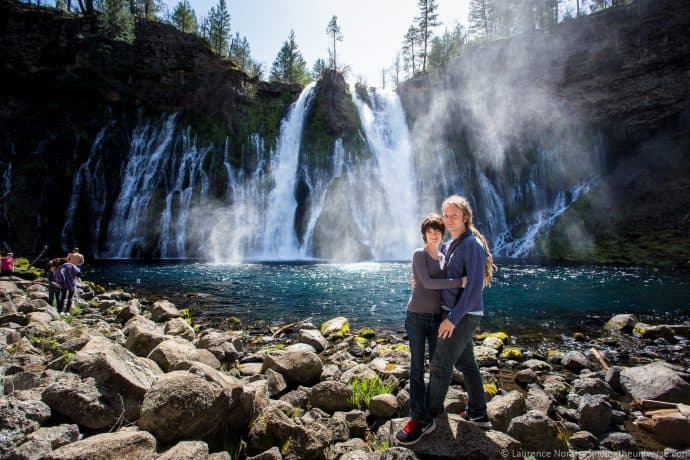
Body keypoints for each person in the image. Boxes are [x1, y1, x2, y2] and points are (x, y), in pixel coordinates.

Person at [396, 195, 496, 445]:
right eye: (446, 215)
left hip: (460, 316)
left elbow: (473, 288)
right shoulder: (452, 244)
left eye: (454, 214)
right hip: (455, 313)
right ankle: (478, 412)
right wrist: (420, 282)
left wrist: (451, 319)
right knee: (467, 362)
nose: (449, 219)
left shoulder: (470, 244)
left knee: (440, 365)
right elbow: (439, 278)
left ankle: (424, 419)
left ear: (465, 216)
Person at [397, 214, 466, 446]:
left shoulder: (445, 257)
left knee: (437, 366)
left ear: (441, 233)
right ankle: (418, 417)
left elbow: (441, 287)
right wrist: (458, 282)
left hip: (437, 318)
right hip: (416, 317)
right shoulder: (418, 254)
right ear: (424, 234)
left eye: (438, 230)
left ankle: (432, 408)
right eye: (430, 230)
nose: (434, 234)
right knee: (416, 368)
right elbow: (426, 282)